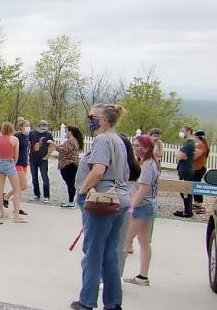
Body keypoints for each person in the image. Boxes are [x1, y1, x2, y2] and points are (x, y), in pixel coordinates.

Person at [71, 103, 131, 310]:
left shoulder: (102, 140)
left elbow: (97, 171)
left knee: (93, 252)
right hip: (120, 199)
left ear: (104, 120)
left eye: (92, 117)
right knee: (109, 252)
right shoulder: (119, 140)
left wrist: (81, 191)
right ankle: (113, 302)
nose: (89, 120)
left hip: (102, 202)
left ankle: (87, 301)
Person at [122, 134, 160, 287]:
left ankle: (112, 277)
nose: (136, 148)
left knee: (124, 241)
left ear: (147, 148)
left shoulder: (147, 165)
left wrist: (131, 207)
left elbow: (144, 189)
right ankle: (143, 276)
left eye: (139, 146)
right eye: (135, 145)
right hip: (149, 205)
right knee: (143, 241)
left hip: (142, 207)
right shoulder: (152, 163)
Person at [0, 122, 27, 223]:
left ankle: (2, 213)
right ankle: (16, 216)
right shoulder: (14, 139)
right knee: (17, 189)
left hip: (0, 162)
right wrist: (12, 163)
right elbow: (16, 156)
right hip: (9, 163)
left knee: (0, 189)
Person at [4, 119, 30, 216]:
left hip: (24, 163)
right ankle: (8, 198)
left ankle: (16, 206)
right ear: (22, 127)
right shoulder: (17, 136)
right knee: (23, 186)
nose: (28, 127)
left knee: (19, 187)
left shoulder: (27, 136)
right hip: (17, 163)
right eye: (26, 125)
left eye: (29, 125)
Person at [29, 120, 55, 202]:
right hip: (33, 158)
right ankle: (36, 194)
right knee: (34, 177)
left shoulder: (48, 134)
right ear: (39, 125)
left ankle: (46, 196)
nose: (44, 126)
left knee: (44, 177)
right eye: (43, 125)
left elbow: (52, 146)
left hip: (43, 159)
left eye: (46, 125)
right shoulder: (32, 133)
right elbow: (29, 144)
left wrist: (47, 156)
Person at [56, 126, 83, 208]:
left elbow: (64, 150)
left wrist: (54, 145)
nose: (66, 133)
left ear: (71, 132)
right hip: (71, 165)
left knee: (70, 184)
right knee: (71, 183)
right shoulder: (74, 141)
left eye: (67, 131)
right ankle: (71, 201)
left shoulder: (71, 141)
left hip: (68, 165)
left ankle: (71, 202)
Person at [174, 126, 196, 218]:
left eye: (182, 131)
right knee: (185, 190)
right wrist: (179, 153)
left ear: (188, 131)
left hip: (185, 170)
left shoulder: (189, 144)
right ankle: (187, 210)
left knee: (185, 190)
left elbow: (179, 156)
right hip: (186, 169)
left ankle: (187, 211)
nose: (181, 132)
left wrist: (178, 153)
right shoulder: (190, 143)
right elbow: (181, 155)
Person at [193, 130, 210, 214]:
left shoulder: (200, 145)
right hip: (198, 167)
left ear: (197, 137)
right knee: (195, 185)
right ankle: (197, 203)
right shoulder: (202, 145)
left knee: (196, 185)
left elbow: (195, 156)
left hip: (199, 168)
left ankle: (200, 205)